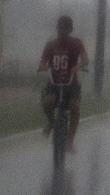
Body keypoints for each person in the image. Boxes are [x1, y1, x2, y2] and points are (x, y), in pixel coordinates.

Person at [38, 15, 89, 153]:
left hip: (70, 83)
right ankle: (51, 122)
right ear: (57, 29)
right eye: (60, 28)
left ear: (70, 30)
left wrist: (78, 66)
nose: (62, 32)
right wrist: (44, 67)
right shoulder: (50, 45)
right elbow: (42, 63)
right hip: (54, 83)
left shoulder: (77, 43)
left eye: (65, 29)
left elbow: (85, 59)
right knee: (48, 103)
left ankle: (70, 142)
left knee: (74, 107)